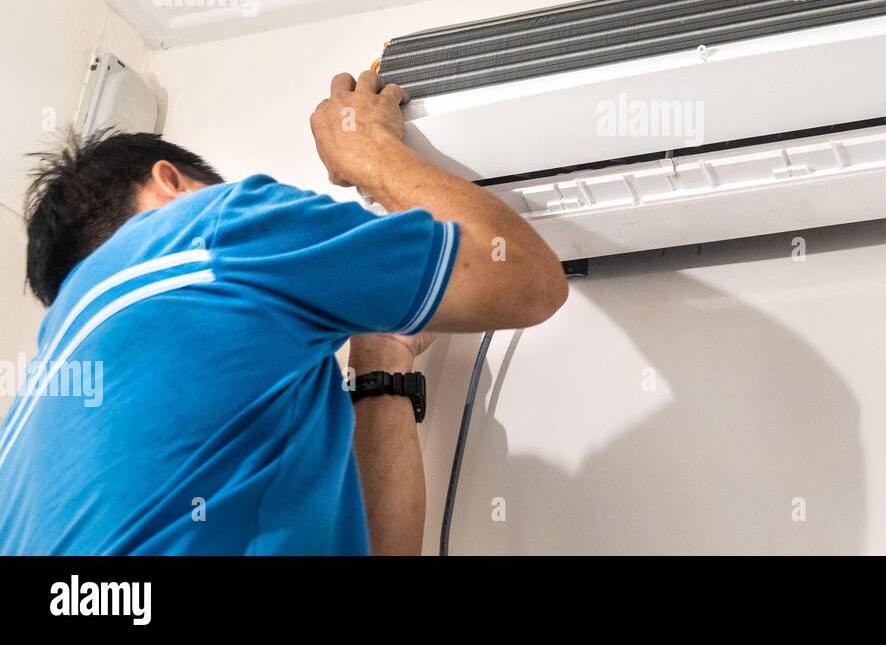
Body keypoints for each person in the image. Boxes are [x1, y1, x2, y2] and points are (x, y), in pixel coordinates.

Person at [0, 70, 568, 554]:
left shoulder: (20, 444)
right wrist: (367, 149)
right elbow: (526, 276)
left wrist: (383, 360)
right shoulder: (203, 232)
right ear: (170, 182)